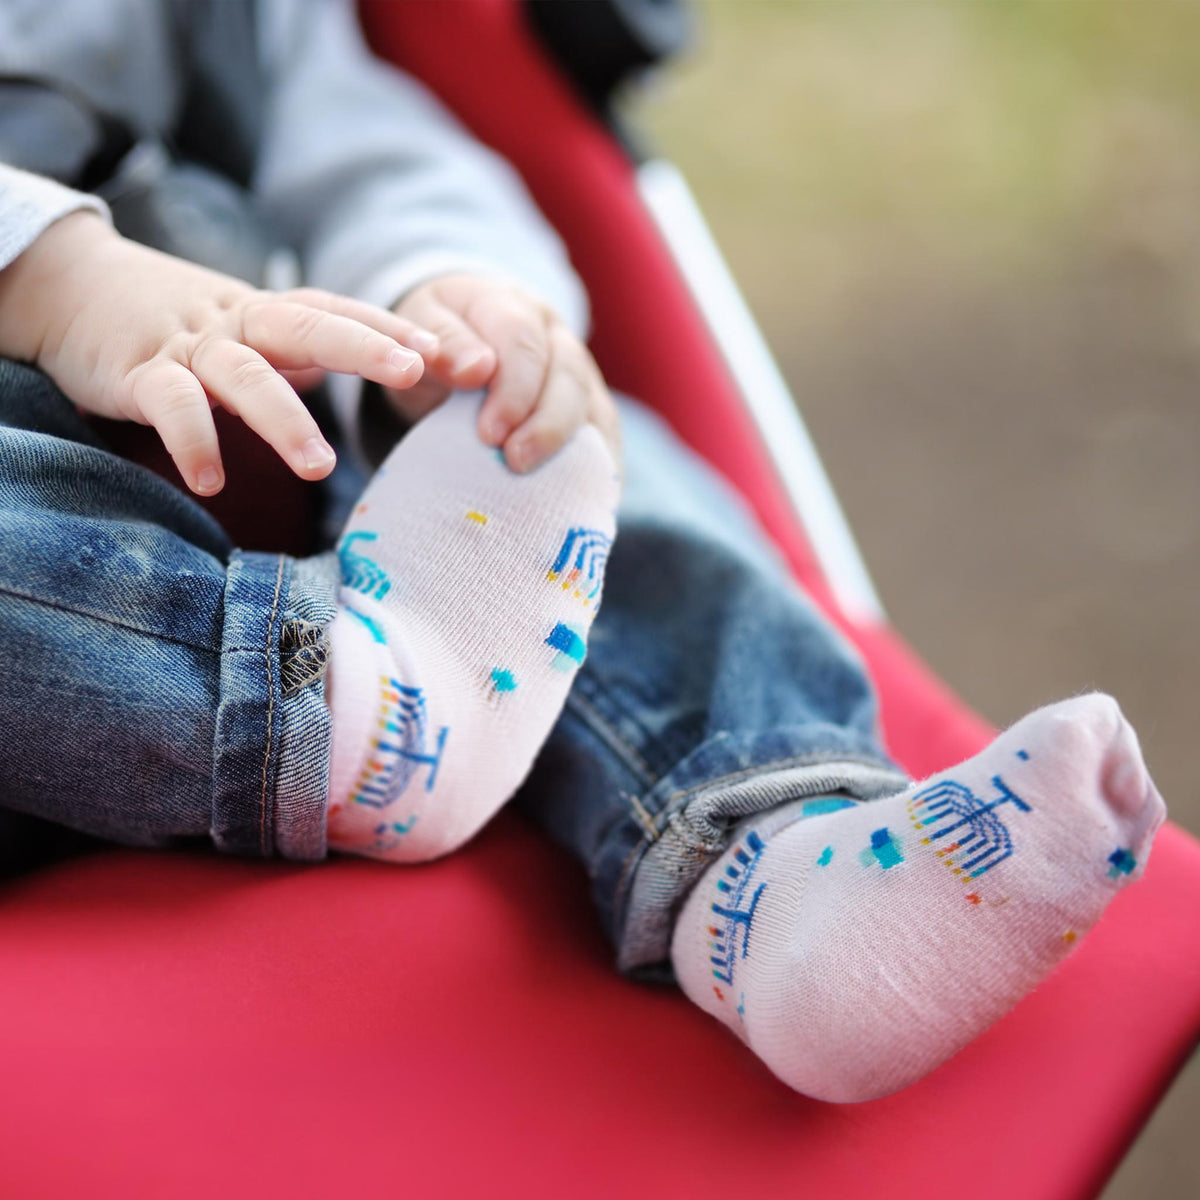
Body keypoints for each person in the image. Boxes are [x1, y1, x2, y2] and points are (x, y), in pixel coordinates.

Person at [0, 0, 1165, 1104]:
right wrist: (47, 271)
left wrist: (449, 293)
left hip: (283, 429)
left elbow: (366, 148)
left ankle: (763, 869)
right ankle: (331, 709)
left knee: (553, 437)